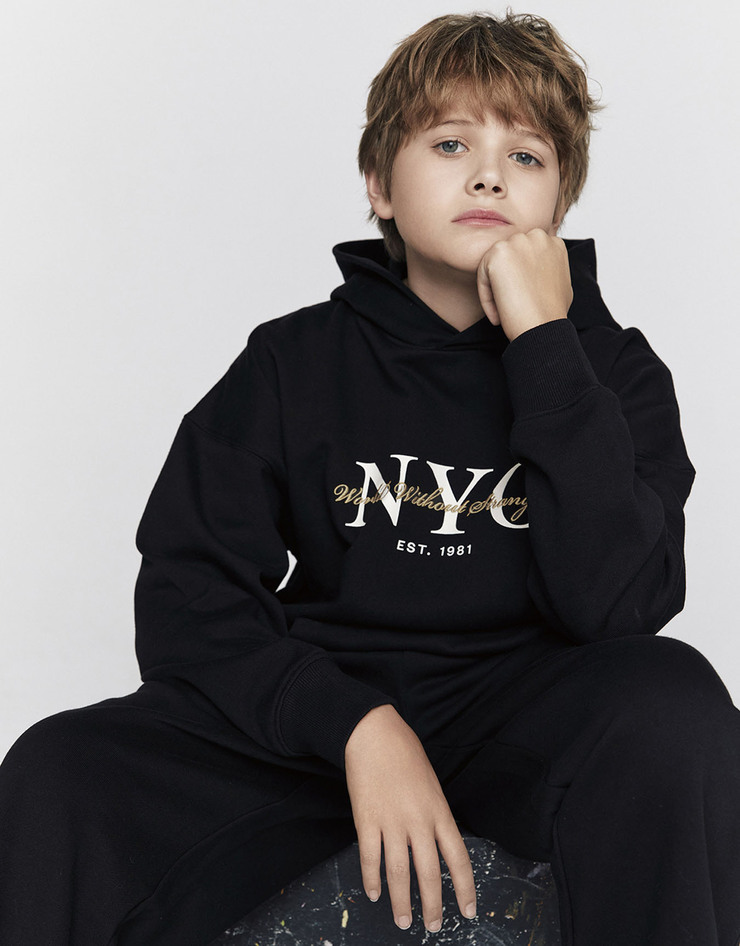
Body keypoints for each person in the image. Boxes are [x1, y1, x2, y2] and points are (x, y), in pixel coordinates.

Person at [1, 11, 739, 946]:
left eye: (527, 156)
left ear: (558, 204)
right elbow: (188, 591)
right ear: (379, 185)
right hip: (323, 730)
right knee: (58, 766)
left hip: (526, 723)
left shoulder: (613, 372)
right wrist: (355, 723)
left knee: (678, 702)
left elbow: (619, 606)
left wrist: (547, 345)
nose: (488, 176)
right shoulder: (292, 361)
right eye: (450, 143)